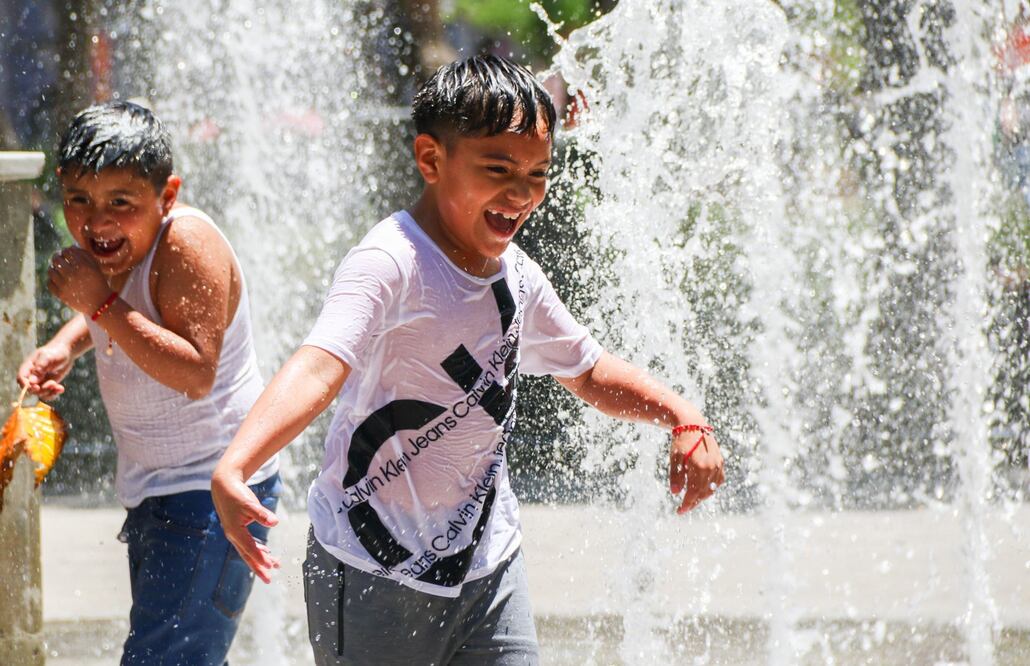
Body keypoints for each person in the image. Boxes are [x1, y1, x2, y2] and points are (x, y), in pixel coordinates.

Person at [211, 54, 724, 665]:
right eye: (498, 168)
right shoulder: (392, 261)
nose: (521, 193)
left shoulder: (518, 277)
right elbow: (321, 364)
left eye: (538, 173)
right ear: (431, 159)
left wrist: (683, 415)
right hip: (372, 567)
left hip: (487, 568)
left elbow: (588, 370)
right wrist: (237, 464)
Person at [17, 101, 280, 666]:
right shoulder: (125, 249)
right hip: (158, 495)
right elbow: (134, 306)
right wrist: (67, 343)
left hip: (213, 496)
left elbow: (195, 373)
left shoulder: (186, 246)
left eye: (121, 203)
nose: (96, 222)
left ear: (168, 195)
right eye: (79, 201)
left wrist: (99, 303)